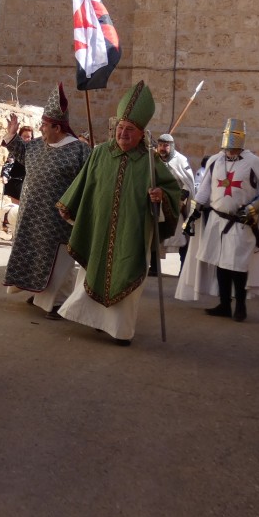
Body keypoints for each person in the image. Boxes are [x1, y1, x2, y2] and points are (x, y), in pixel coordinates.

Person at [55, 81, 181, 345]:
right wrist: (70, 207)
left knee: (126, 275)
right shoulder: (100, 153)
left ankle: (120, 331)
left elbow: (173, 193)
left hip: (132, 233)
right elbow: (84, 184)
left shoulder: (150, 160)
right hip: (99, 228)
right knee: (92, 271)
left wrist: (161, 197)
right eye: (121, 128)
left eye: (130, 129)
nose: (123, 133)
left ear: (141, 133)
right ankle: (96, 321)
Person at [1, 84, 91, 316]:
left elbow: (89, 181)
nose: (41, 128)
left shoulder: (79, 151)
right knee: (33, 257)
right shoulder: (37, 146)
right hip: (31, 216)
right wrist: (11, 134)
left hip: (58, 221)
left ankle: (58, 302)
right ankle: (39, 293)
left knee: (57, 263)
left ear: (58, 127)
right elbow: (20, 151)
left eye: (44, 125)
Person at [176, 119, 259, 321]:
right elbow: (204, 191)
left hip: (240, 222)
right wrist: (193, 215)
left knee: (237, 265)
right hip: (216, 220)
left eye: (233, 146)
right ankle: (224, 304)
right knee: (220, 263)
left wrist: (251, 208)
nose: (229, 150)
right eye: (227, 147)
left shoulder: (253, 162)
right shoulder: (215, 161)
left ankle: (240, 306)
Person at [154, 133, 196, 272]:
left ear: (171, 146)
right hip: (157, 203)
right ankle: (154, 267)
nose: (162, 148)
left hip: (175, 205)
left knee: (181, 237)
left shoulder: (180, 160)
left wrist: (180, 201)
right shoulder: (153, 159)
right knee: (155, 235)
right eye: (160, 145)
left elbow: (187, 184)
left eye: (165, 145)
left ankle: (183, 268)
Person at [0, 124, 32, 242]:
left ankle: (17, 233)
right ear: (20, 137)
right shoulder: (16, 150)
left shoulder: (33, 151)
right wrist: (5, 176)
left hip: (27, 183)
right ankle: (15, 234)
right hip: (16, 183)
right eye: (25, 136)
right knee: (17, 208)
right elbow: (9, 164)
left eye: (29, 137)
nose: (27, 139)